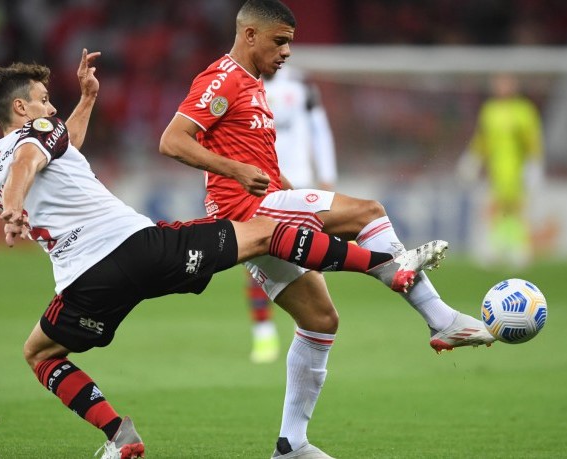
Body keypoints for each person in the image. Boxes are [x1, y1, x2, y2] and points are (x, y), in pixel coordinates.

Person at [0, 50, 447, 459]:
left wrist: (87, 100)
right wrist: (17, 205)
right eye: (43, 99)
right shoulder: (32, 138)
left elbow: (60, 149)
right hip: (140, 250)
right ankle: (387, 265)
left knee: (39, 354)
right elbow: (31, 159)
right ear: (20, 108)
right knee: (264, 230)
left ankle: (119, 435)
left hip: (84, 283)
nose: (51, 107)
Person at [159, 1, 495, 457]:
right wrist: (233, 169)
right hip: (248, 211)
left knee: (319, 321)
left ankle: (290, 445)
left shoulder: (255, 86)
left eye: (290, 43)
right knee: (368, 212)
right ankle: (441, 319)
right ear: (250, 35)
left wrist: (295, 191)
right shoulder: (222, 79)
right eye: (280, 41)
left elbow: (263, 167)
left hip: (258, 209)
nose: (287, 52)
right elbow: (172, 139)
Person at [247, 65, 338, 364]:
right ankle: (263, 332)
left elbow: (319, 130)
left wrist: (327, 175)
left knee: (306, 255)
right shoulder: (242, 84)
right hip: (260, 183)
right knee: (257, 253)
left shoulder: (301, 86)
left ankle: (308, 326)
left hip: (298, 181)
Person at [457, 72, 544, 268]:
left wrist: (534, 164)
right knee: (494, 208)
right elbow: (482, 139)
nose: (502, 87)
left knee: (516, 208)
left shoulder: (524, 110)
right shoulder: (489, 110)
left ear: (514, 86)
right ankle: (494, 247)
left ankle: (517, 248)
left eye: (506, 83)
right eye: (499, 83)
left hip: (517, 168)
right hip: (495, 169)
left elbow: (532, 139)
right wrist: (472, 159)